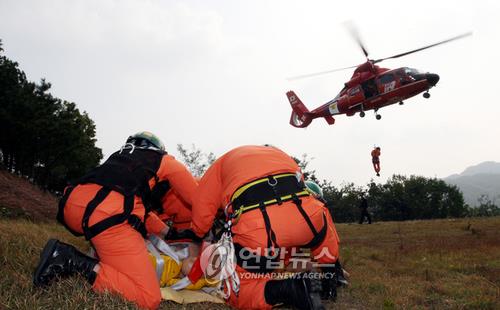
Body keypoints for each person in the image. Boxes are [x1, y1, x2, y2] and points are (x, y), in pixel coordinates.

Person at [33, 131, 198, 310]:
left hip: (73, 207)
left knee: (127, 233)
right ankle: (71, 260)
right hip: (107, 219)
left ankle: (96, 258)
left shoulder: (119, 158)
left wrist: (169, 232)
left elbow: (138, 212)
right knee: (148, 297)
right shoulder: (165, 160)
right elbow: (199, 198)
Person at [188, 145, 346, 310]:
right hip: (309, 218)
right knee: (319, 223)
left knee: (239, 293)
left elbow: (202, 207)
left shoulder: (220, 165)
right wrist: (330, 265)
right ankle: (331, 279)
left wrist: (198, 232)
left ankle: (288, 289)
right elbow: (301, 185)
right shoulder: (281, 155)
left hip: (259, 229)